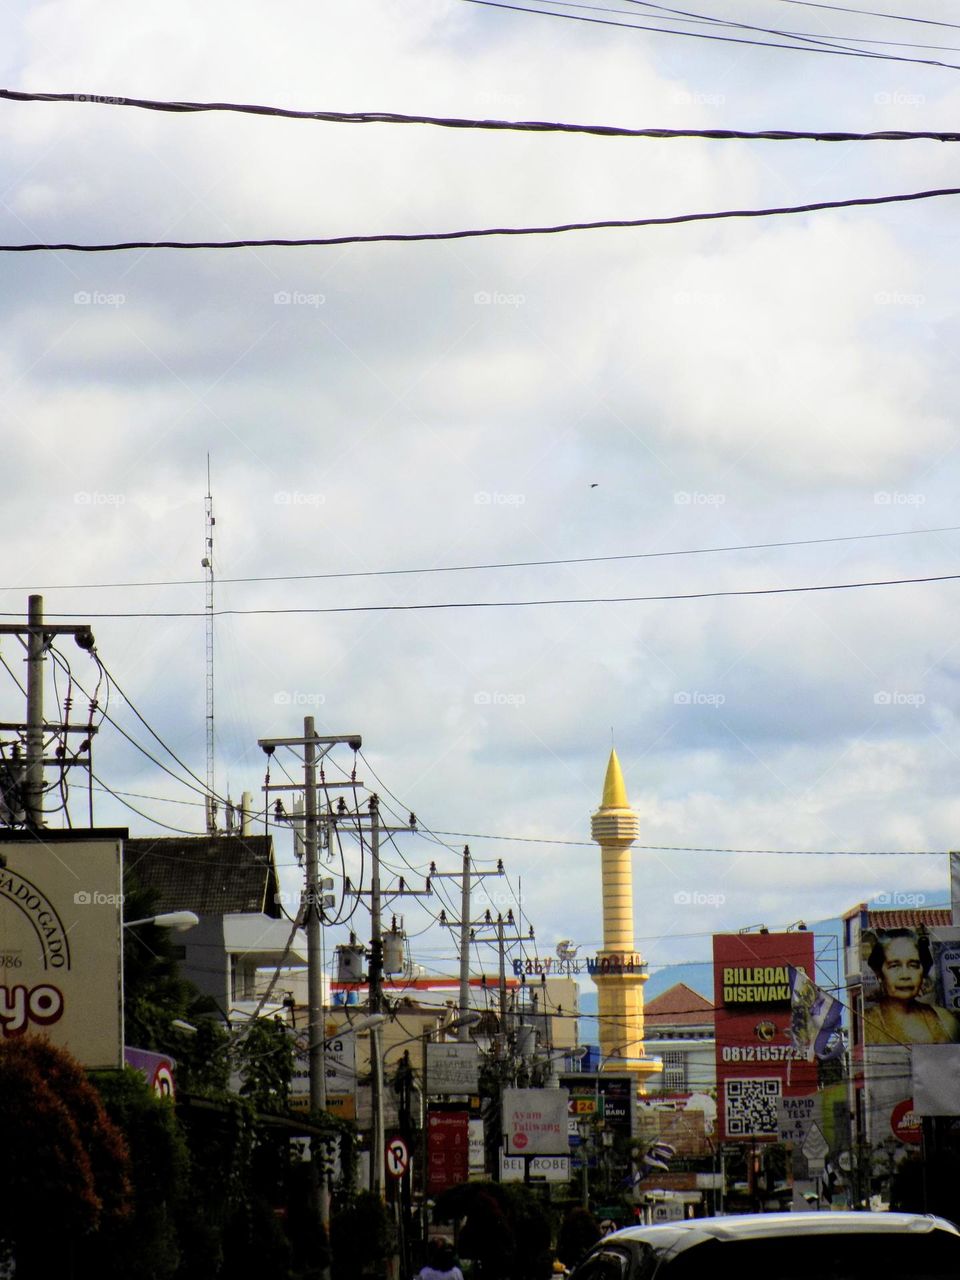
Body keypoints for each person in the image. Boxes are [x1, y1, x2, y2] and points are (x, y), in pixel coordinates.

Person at [864, 929, 960, 1045]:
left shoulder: (946, 1020)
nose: (905, 975)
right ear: (879, 974)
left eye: (913, 965)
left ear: (923, 972)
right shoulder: (865, 1023)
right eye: (894, 966)